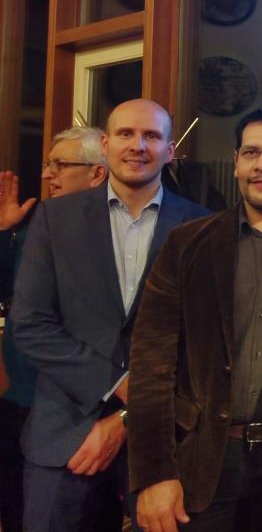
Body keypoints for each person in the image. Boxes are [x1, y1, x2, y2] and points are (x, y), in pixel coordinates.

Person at [127, 106, 262, 532]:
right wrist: (155, 473)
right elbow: (151, 364)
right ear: (235, 163)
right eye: (251, 153)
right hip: (202, 460)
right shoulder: (187, 244)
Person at [10, 101, 209, 532]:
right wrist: (117, 385)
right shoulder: (54, 219)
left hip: (163, 443)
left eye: (151, 136)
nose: (138, 146)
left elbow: (202, 342)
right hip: (64, 434)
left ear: (170, 150)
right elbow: (30, 325)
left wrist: (125, 418)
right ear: (105, 145)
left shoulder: (201, 228)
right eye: (125, 134)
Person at [0, 128, 109, 532]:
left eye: (60, 165)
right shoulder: (36, 226)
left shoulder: (110, 235)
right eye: (49, 164)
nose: (48, 174)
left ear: (97, 173)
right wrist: (5, 233)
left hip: (73, 410)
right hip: (19, 400)